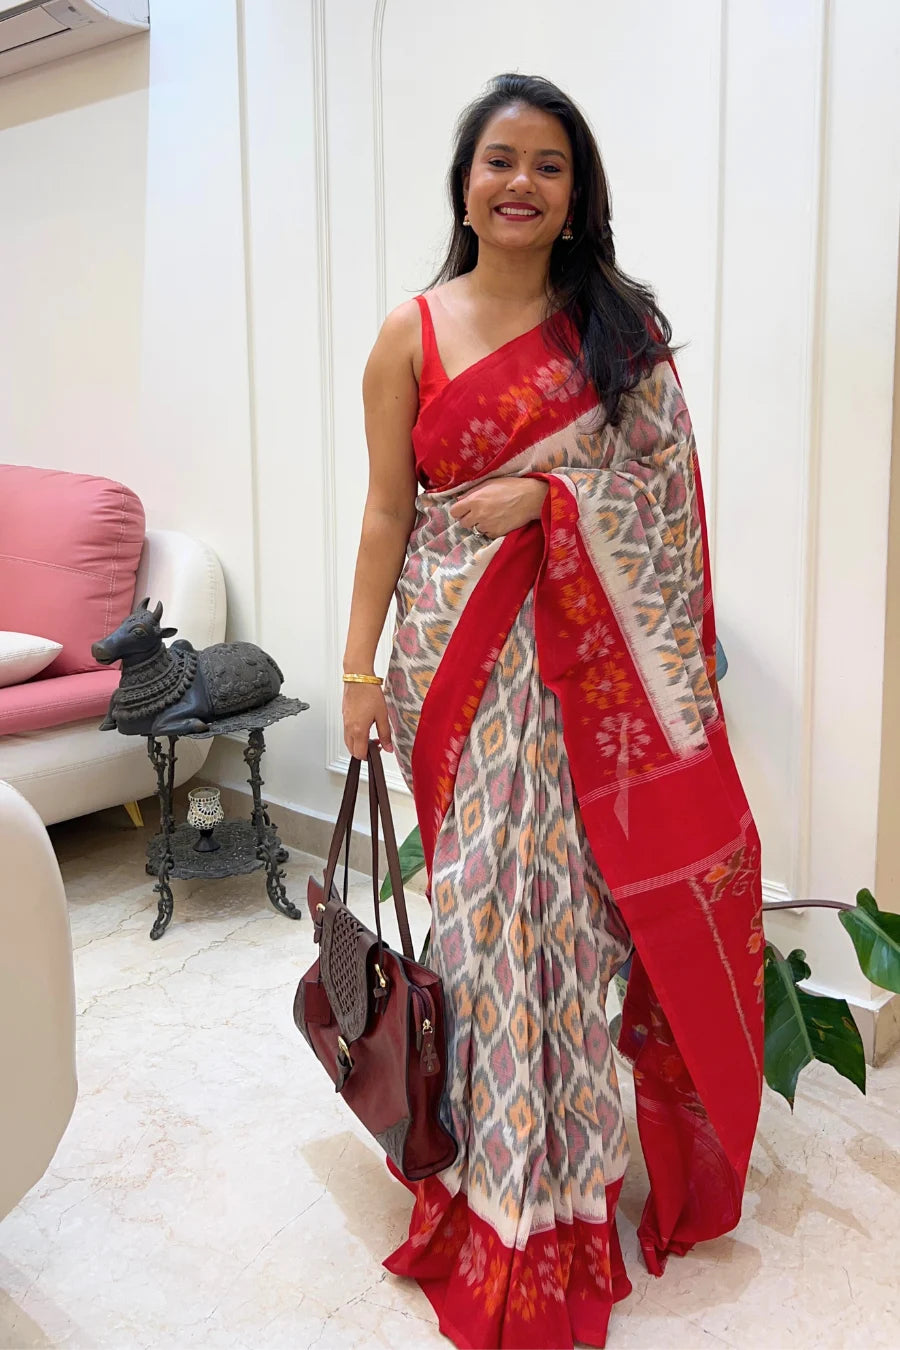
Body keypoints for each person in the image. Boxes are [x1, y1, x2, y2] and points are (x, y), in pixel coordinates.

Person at [341, 72, 763, 1350]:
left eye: (550, 167)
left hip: (586, 674)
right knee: (478, 923)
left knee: (570, 930)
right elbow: (384, 514)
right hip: (450, 668)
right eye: (499, 161)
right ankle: (483, 1183)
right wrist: (357, 671)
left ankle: (564, 1192)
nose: (520, 184)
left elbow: (669, 512)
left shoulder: (615, 335)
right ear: (464, 183)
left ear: (579, 199)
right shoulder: (408, 334)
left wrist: (551, 503)